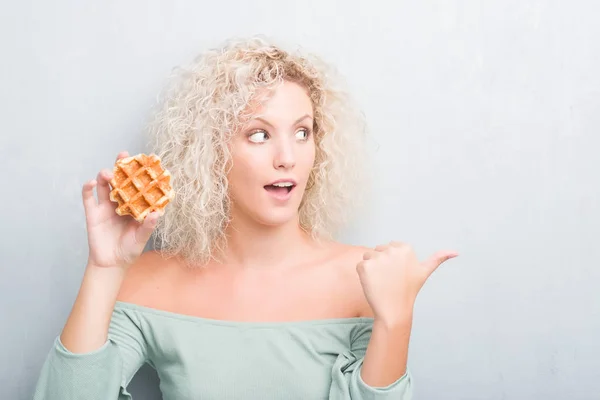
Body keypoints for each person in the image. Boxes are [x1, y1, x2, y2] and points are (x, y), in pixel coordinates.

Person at [33, 36, 458, 399]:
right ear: (212, 151)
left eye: (302, 132)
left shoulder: (368, 279)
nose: (287, 158)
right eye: (259, 134)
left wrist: (395, 318)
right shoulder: (148, 282)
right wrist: (105, 269)